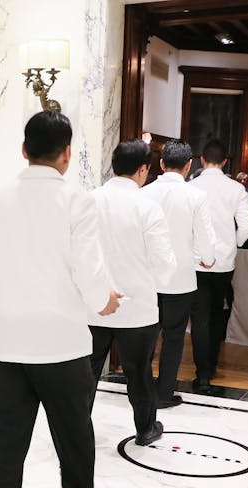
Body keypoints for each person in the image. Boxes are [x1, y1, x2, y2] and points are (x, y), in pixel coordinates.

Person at [0, 111, 122, 488]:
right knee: (74, 434)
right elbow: (89, 269)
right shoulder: (77, 200)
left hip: (7, 346)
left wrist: (12, 308)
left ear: (23, 150)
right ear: (68, 153)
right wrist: (104, 302)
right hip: (62, 345)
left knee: (5, 447)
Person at [88, 139, 176, 444]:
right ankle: (145, 429)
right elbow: (164, 263)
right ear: (143, 169)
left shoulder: (89, 200)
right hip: (137, 309)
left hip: (93, 304)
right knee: (139, 373)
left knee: (86, 373)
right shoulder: (147, 207)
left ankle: (73, 429)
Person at [140, 139, 217, 408]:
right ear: (188, 166)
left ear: (161, 163)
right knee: (173, 337)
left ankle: (142, 392)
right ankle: (164, 393)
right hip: (180, 279)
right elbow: (205, 237)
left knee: (146, 337)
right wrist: (208, 259)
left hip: (147, 279)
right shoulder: (196, 196)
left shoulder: (144, 193)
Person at [189, 139, 248, 392]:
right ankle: (211, 366)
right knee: (217, 314)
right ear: (225, 161)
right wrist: (231, 245)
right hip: (224, 264)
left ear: (202, 160)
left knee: (199, 317)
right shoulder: (236, 189)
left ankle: (202, 373)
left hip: (196, 261)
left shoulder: (192, 187)